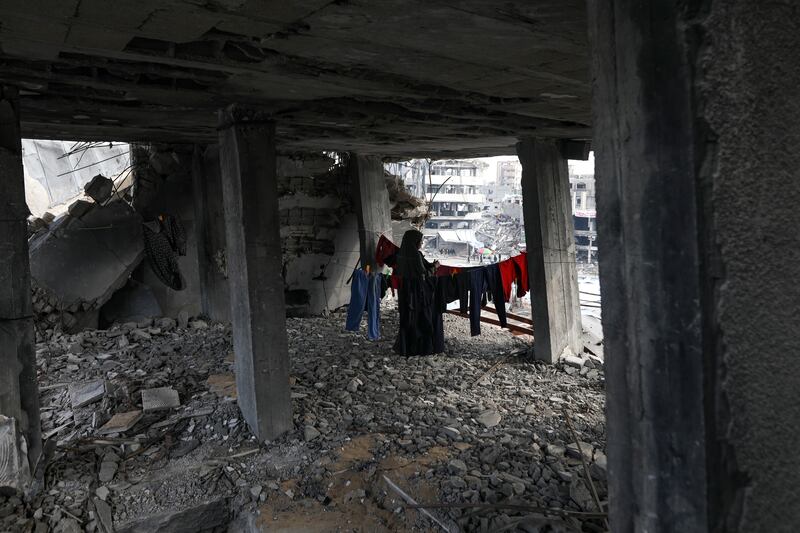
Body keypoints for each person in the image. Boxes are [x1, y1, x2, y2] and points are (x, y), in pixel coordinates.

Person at [393, 230, 443, 356]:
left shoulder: (401, 254)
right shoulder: (416, 255)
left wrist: (430, 266)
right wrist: (435, 267)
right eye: (420, 241)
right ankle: (420, 349)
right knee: (420, 318)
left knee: (408, 318)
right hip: (417, 293)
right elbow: (424, 274)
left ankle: (406, 348)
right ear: (414, 242)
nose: (421, 243)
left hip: (405, 291)